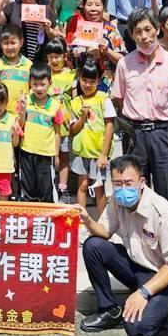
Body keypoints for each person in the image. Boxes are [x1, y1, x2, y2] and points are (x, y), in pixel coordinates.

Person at [77, 155, 168, 336]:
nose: (122, 189)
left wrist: (143, 293)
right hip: (137, 268)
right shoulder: (117, 201)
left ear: (141, 182)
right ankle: (108, 310)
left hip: (167, 279)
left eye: (128, 183)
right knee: (93, 245)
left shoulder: (164, 213)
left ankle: (162, 316)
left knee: (136, 327)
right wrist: (87, 219)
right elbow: (104, 232)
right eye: (117, 184)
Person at [111, 8, 168, 209]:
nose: (144, 37)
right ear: (131, 34)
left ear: (157, 29)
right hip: (135, 136)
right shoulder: (124, 64)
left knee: (167, 194)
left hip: (164, 134)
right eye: (138, 31)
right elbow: (119, 100)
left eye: (148, 29)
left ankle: (167, 239)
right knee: (135, 193)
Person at [69, 57, 115, 217]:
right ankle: (81, 220)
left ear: (98, 80)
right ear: (79, 78)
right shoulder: (75, 102)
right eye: (84, 80)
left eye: (92, 81)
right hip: (81, 151)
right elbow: (73, 130)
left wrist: (103, 154)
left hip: (98, 153)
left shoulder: (104, 98)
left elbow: (110, 125)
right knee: (82, 185)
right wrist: (82, 116)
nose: (87, 85)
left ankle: (102, 222)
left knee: (99, 188)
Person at [17, 63, 66, 203]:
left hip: (46, 154)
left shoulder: (55, 106)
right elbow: (20, 126)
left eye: (42, 84)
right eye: (35, 84)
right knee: (27, 189)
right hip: (26, 151)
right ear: (30, 84)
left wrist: (56, 155)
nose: (39, 88)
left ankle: (46, 222)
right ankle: (28, 220)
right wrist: (22, 110)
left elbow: (57, 132)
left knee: (46, 189)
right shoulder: (25, 101)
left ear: (49, 83)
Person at [44, 37, 76, 203]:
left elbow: (76, 99)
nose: (54, 60)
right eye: (50, 57)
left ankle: (63, 188)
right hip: (47, 125)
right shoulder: (44, 75)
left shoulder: (72, 75)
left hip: (64, 125)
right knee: (49, 156)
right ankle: (48, 186)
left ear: (64, 56)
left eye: (57, 56)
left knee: (63, 156)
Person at [0, 24, 33, 114]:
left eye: (13, 43)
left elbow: (32, 89)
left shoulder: (29, 65)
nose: (9, 47)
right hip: (3, 114)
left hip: (23, 113)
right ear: (0, 44)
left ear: (21, 43)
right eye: (6, 43)